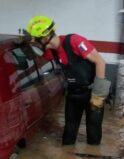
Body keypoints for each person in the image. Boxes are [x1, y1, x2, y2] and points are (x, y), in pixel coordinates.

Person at [26, 16, 111, 145]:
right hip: (73, 94)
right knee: (69, 133)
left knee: (94, 131)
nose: (36, 43)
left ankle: (91, 158)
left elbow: (100, 62)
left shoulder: (74, 41)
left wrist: (98, 95)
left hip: (93, 92)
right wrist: (26, 46)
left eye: (36, 40)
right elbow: (38, 63)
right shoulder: (51, 52)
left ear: (44, 38)